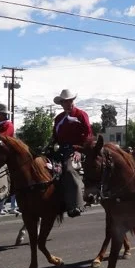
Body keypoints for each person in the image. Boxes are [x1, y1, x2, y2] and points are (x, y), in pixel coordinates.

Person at [46, 89, 92, 218]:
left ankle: (77, 204)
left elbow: (88, 134)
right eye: (65, 101)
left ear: (73, 101)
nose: (67, 103)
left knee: (69, 169)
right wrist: (50, 145)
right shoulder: (59, 118)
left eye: (69, 101)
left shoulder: (81, 114)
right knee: (44, 166)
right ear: (61, 103)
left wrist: (79, 150)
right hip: (60, 149)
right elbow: (55, 136)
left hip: (76, 149)